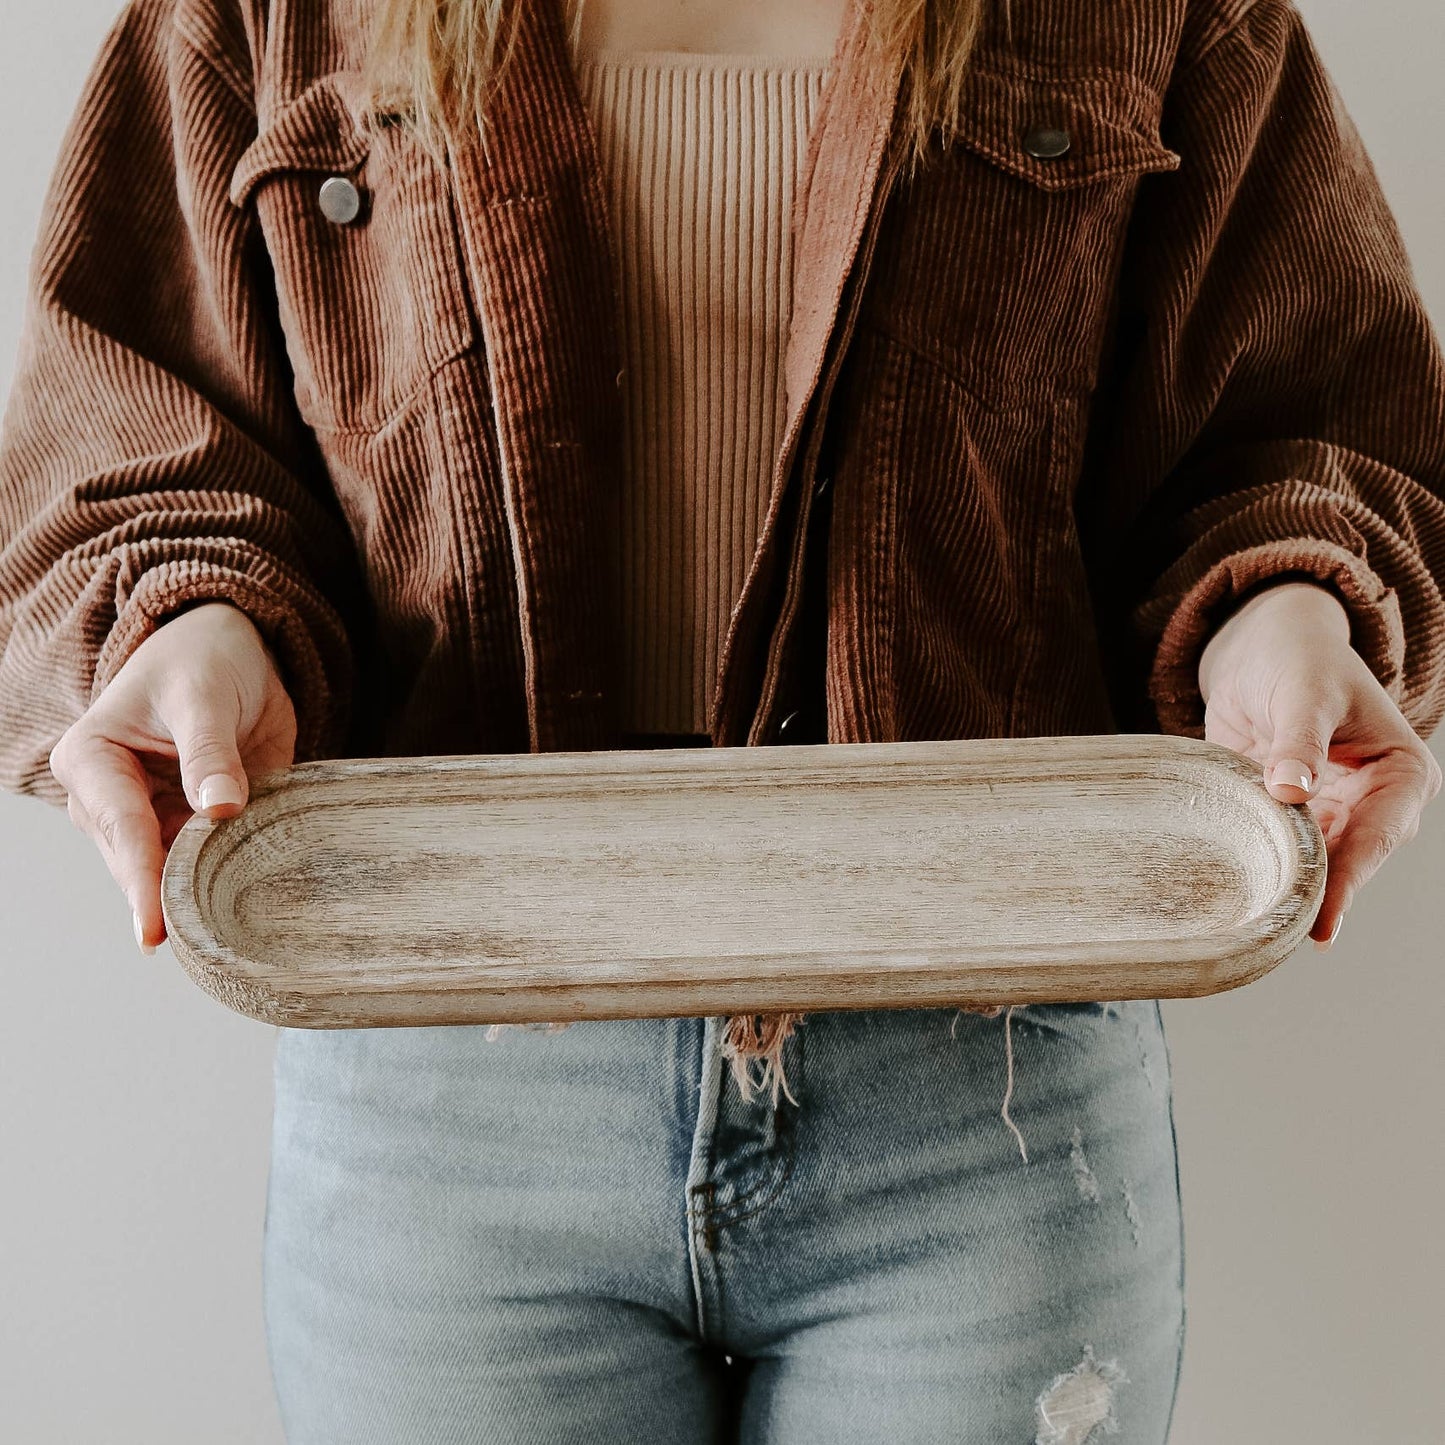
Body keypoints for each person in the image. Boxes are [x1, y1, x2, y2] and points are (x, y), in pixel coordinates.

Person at [2, 0, 1442, 1439]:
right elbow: (137, 423)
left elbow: (1302, 417)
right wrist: (192, 625)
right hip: (448, 1066)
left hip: (981, 1069)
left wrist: (1288, 612)